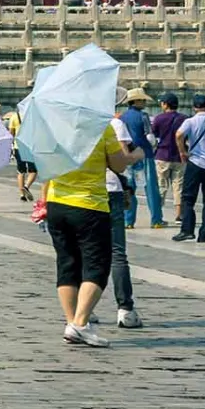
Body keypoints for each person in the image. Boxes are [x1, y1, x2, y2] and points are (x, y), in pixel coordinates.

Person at [44, 121, 134, 347]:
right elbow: (119, 165)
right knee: (97, 266)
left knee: (67, 264)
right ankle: (81, 323)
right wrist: (136, 155)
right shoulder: (101, 127)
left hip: (56, 203)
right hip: (89, 206)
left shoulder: (54, 127)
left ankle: (71, 322)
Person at [103, 101, 145, 329]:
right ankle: (125, 309)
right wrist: (137, 154)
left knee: (83, 253)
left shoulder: (69, 124)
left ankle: (83, 311)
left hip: (77, 194)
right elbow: (120, 161)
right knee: (117, 253)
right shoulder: (113, 124)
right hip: (109, 189)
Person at [172, 94, 205, 243]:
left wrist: (182, 152)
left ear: (194, 108)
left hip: (195, 162)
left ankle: (187, 230)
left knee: (188, 198)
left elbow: (178, 135)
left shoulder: (190, 121)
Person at [119, 88, 158, 229]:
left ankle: (128, 221)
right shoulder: (143, 116)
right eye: (142, 100)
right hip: (145, 154)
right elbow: (150, 137)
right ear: (134, 101)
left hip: (129, 156)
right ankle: (156, 219)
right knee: (150, 188)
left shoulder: (122, 118)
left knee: (129, 188)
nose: (144, 102)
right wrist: (154, 145)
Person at [149, 92, 185, 223]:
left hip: (162, 155)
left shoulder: (159, 118)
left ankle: (158, 215)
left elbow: (153, 135)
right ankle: (179, 215)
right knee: (178, 186)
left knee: (161, 186)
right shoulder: (184, 118)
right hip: (179, 156)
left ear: (165, 104)